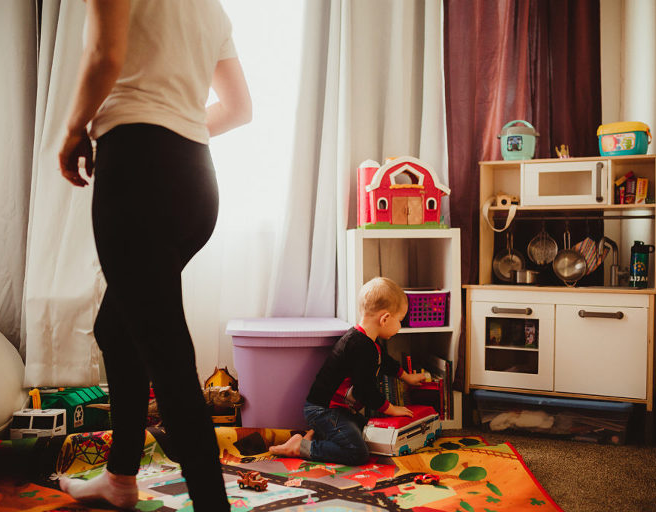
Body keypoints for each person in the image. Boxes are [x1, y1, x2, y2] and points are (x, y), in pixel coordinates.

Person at [56, 1, 251, 510]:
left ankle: (213, 504)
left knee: (166, 355)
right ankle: (120, 476)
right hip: (195, 182)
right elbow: (238, 108)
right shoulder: (207, 7)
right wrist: (176, 128)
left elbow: (105, 54)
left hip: (139, 169)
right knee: (116, 330)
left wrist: (74, 129)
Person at [269, 277, 426, 465]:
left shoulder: (369, 342)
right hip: (323, 410)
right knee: (357, 452)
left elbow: (385, 362)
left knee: (367, 430)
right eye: (400, 320)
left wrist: (407, 377)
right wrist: (391, 409)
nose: (400, 327)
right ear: (385, 319)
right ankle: (301, 447)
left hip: (340, 411)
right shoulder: (359, 345)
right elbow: (365, 390)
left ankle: (312, 436)